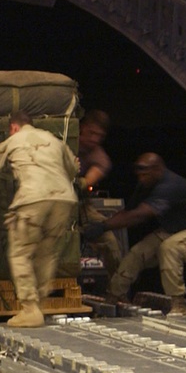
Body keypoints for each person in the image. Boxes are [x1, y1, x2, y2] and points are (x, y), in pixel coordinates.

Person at [0, 111, 79, 327]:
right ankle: (40, 303)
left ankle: (29, 308)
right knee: (47, 252)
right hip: (64, 199)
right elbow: (73, 167)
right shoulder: (54, 140)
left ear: (14, 127)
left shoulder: (13, 140)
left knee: (21, 253)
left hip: (33, 198)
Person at [81, 153, 186, 316]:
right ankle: (113, 297)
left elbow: (139, 215)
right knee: (136, 253)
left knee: (169, 249)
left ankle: (178, 305)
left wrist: (103, 226)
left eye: (144, 171)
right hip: (172, 230)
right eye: (138, 171)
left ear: (157, 169)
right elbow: (128, 212)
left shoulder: (170, 186)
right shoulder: (146, 184)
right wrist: (98, 226)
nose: (140, 175)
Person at [76, 109, 121, 279]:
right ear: (81, 127)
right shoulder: (62, 141)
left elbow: (89, 179)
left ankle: (118, 290)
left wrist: (82, 183)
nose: (94, 139)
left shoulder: (100, 157)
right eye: (91, 133)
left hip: (79, 205)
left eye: (99, 136)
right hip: (48, 202)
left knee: (109, 240)